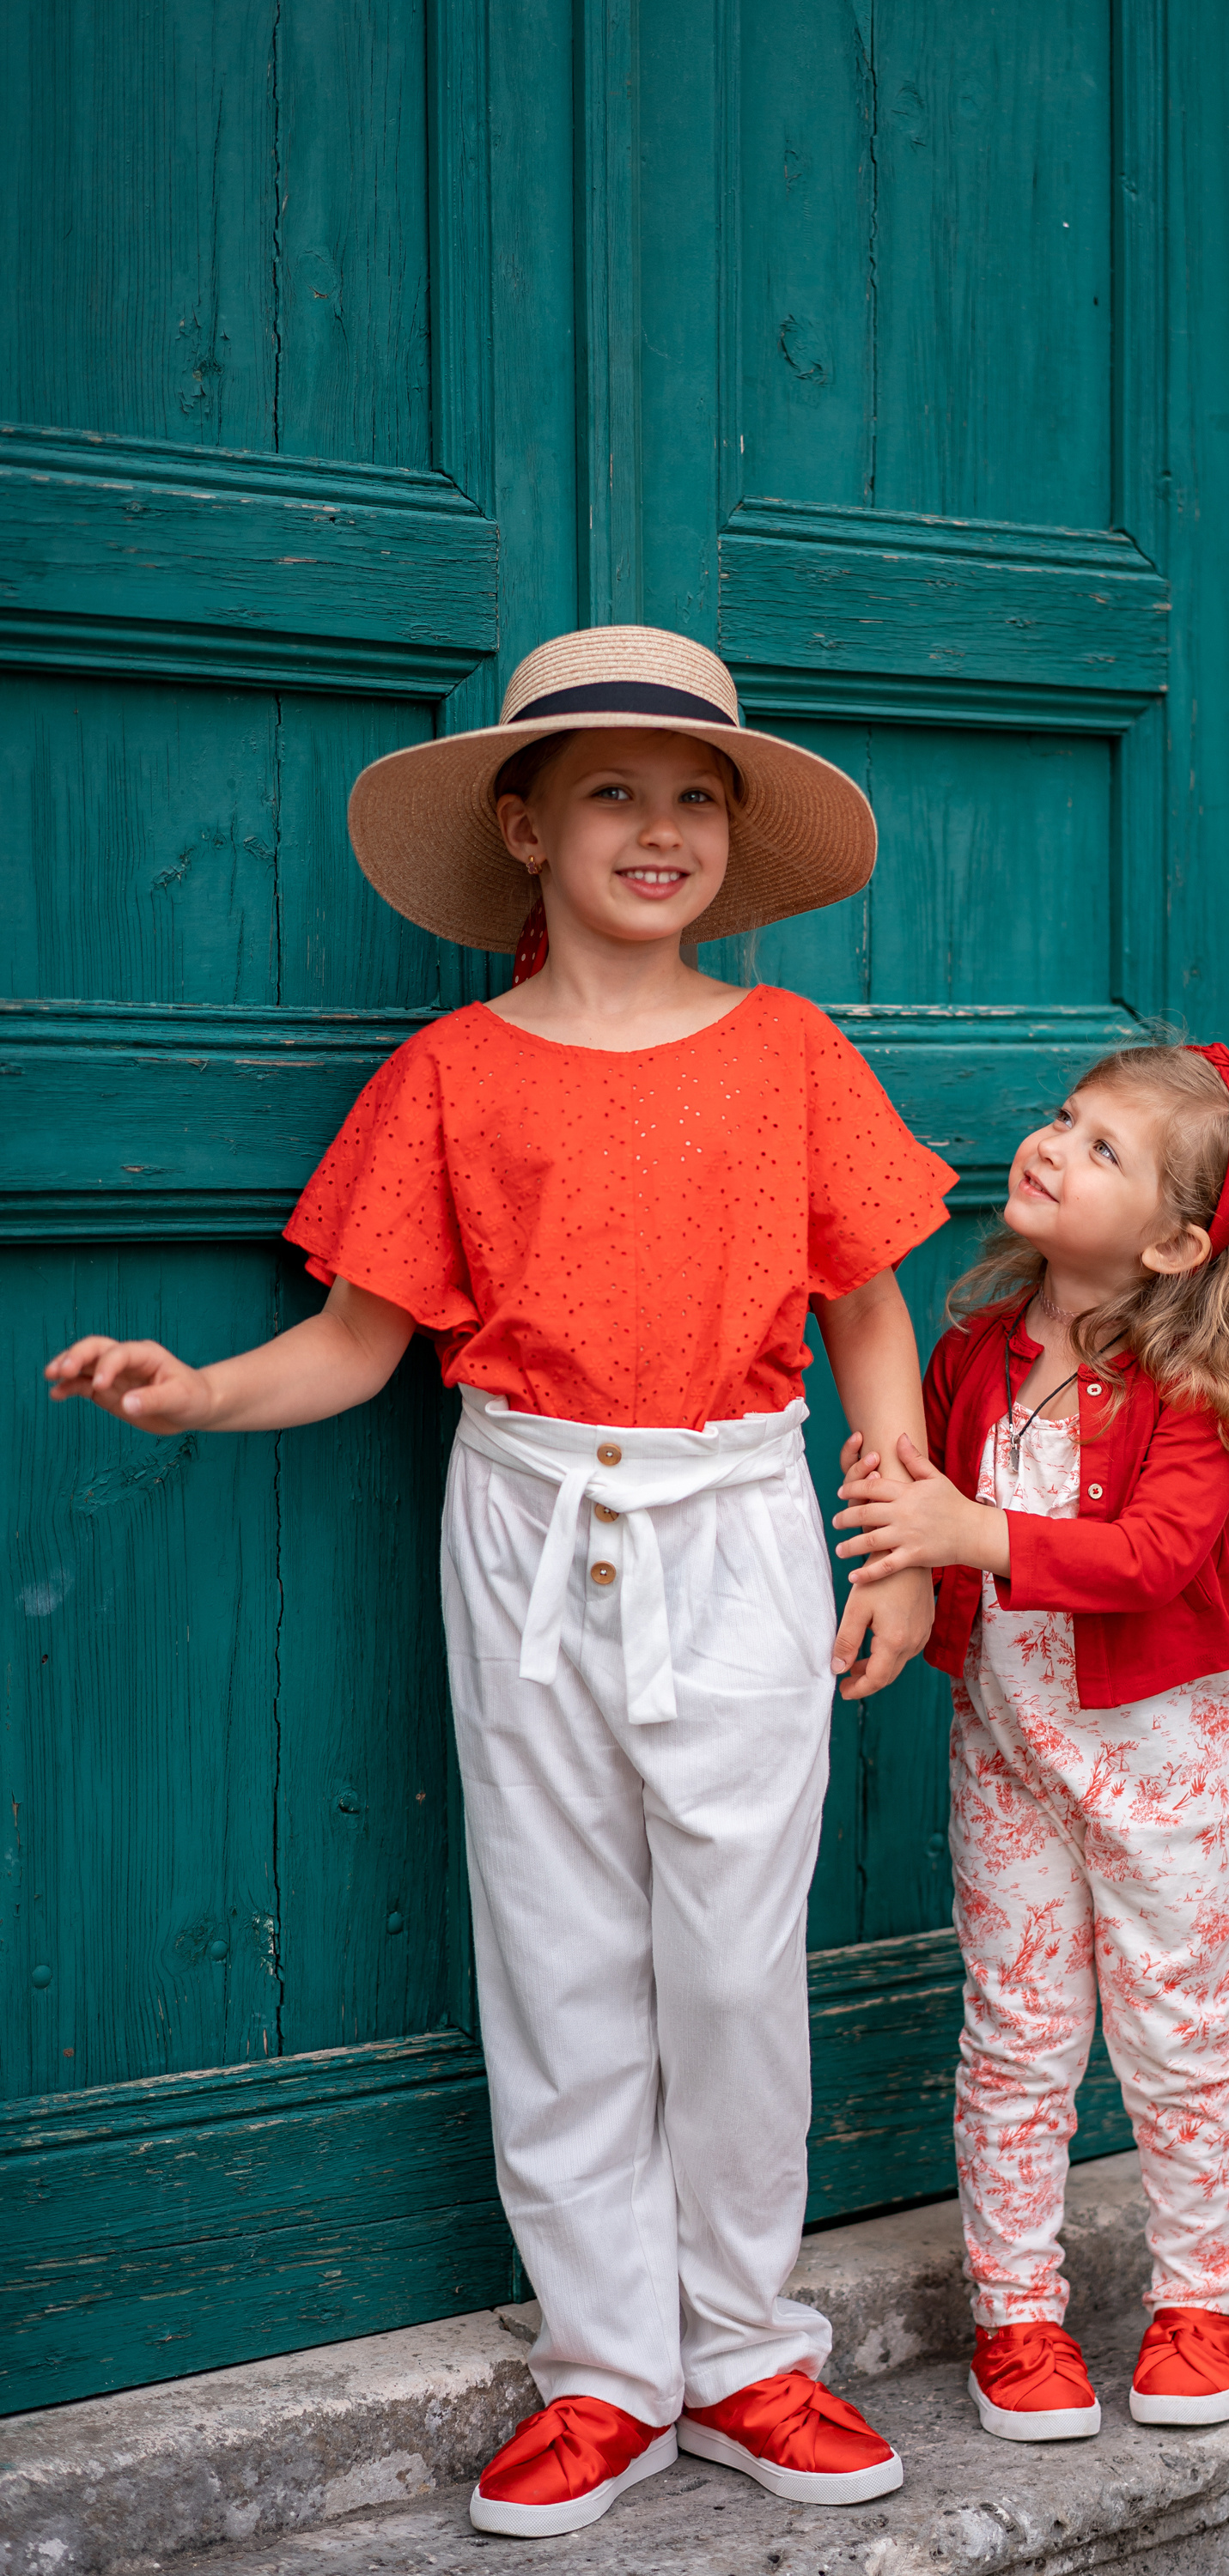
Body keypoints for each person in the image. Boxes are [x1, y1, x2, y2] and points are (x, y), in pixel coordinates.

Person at [45, 627, 958, 2536]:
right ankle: (606, 2370)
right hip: (529, 1526)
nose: (658, 826)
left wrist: (890, 1519)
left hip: (736, 1527)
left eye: (694, 793)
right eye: (611, 791)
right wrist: (200, 1392)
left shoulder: (790, 1048)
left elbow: (866, 1308)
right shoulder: (450, 1076)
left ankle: (743, 2353)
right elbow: (356, 1345)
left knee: (729, 1962)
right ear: (523, 829)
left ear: (732, 836)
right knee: (555, 1958)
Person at [832, 1042, 1229, 2440]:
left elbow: (1164, 1553)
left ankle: (1202, 2304)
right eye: (1066, 1119)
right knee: (1018, 2035)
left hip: (1160, 1765)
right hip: (1008, 1757)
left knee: (1177, 2033)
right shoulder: (975, 1346)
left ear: (1177, 1243)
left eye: (1104, 1148)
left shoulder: (1188, 1387)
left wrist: (972, 1535)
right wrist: (894, 1561)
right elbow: (910, 1490)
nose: (1054, 1145)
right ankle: (1019, 2315)